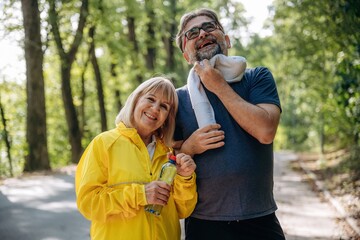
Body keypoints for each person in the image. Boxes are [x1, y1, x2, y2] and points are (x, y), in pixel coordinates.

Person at [173, 8, 285, 240]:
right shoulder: (176, 99)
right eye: (192, 33)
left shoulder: (257, 78)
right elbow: (164, 160)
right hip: (204, 223)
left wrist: (219, 87)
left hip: (260, 220)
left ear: (227, 40)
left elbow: (266, 132)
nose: (202, 33)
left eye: (209, 27)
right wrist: (189, 148)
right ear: (186, 54)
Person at [75, 77, 197, 240]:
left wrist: (185, 178)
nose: (155, 109)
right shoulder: (103, 143)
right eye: (150, 99)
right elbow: (89, 203)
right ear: (135, 100)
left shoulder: (169, 154)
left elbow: (183, 210)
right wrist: (141, 195)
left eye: (164, 106)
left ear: (167, 118)